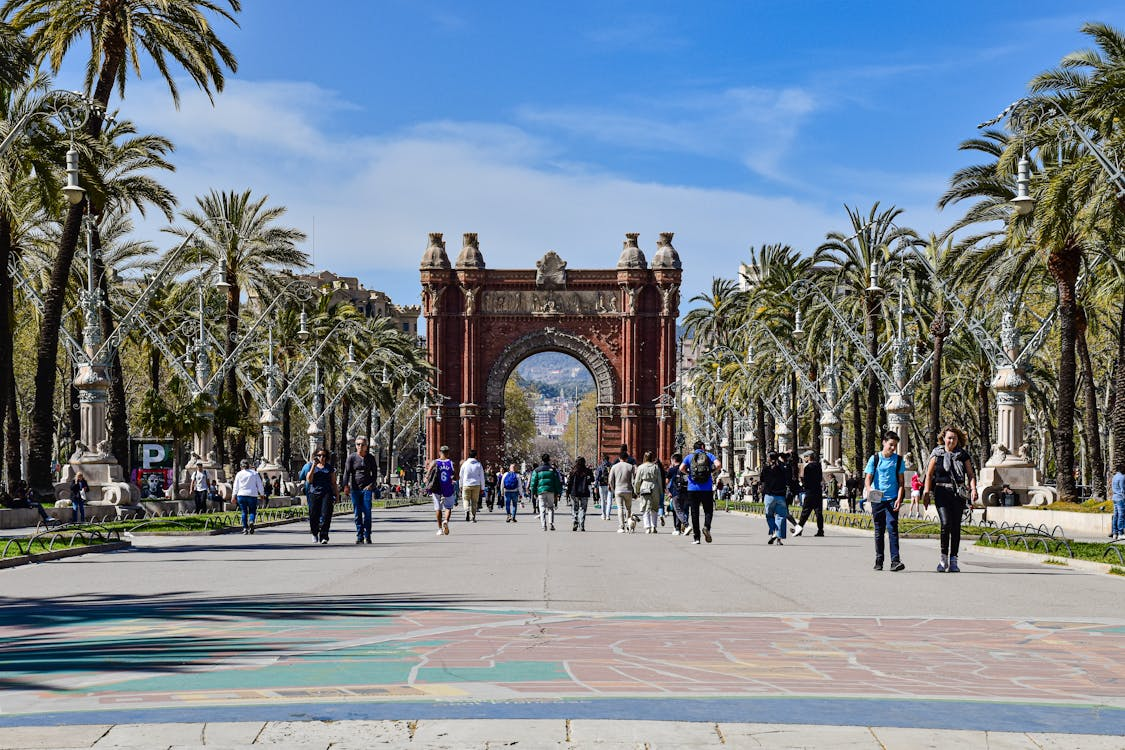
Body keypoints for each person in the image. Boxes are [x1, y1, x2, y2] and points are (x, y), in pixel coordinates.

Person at [922, 425, 978, 573]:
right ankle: (943, 558)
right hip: (941, 491)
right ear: (944, 438)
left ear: (958, 440)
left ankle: (954, 559)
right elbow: (929, 474)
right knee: (946, 523)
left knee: (955, 527)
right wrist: (926, 492)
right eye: (949, 438)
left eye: (954, 438)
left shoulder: (962, 454)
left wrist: (973, 489)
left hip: (958, 494)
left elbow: (971, 474)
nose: (951, 440)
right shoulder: (937, 453)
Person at [864, 431, 906, 572]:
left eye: (895, 445)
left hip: (892, 498)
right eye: (891, 445)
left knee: (893, 528)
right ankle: (879, 559)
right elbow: (868, 478)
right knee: (879, 530)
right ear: (884, 442)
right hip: (877, 497)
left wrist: (899, 498)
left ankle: (895, 561)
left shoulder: (899, 460)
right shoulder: (875, 458)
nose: (893, 448)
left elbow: (901, 482)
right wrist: (869, 489)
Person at [679, 440, 721, 545]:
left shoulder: (689, 457)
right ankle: (706, 527)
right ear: (702, 447)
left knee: (694, 513)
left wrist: (688, 473)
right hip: (706, 488)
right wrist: (712, 472)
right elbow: (718, 465)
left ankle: (697, 538)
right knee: (708, 510)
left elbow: (681, 468)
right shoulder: (709, 455)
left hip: (692, 488)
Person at [341, 435, 380, 544]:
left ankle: (368, 535)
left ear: (366, 446)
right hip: (355, 489)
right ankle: (359, 535)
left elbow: (375, 473)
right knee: (357, 513)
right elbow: (347, 473)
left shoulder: (370, 458)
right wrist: (345, 486)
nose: (360, 446)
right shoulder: (352, 458)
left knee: (367, 513)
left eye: (362, 445)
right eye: (358, 444)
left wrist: (371, 485)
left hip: (367, 489)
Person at [305, 449, 338, 544]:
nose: (321, 457)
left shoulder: (329, 468)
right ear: (316, 456)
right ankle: (314, 533)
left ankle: (324, 535)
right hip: (314, 493)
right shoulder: (311, 467)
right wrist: (313, 466)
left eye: (323, 455)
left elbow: (333, 482)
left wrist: (336, 495)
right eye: (319, 455)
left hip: (326, 493)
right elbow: (309, 480)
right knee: (313, 515)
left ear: (326, 457)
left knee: (326, 514)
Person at [760, 451, 790, 545]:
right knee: (781, 517)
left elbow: (762, 480)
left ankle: (773, 533)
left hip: (769, 496)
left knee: (770, 516)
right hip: (780, 496)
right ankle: (779, 538)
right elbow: (788, 478)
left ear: (769, 458)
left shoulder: (766, 468)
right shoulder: (783, 468)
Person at [426, 445, 456, 536]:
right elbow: (454, 476)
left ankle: (439, 529)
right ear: (448, 453)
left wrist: (426, 479)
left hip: (436, 487)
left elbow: (428, 474)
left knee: (438, 508)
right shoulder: (451, 463)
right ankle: (446, 521)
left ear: (440, 452)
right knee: (448, 507)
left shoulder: (435, 462)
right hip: (447, 487)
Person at [232, 458, 267, 535]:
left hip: (241, 495)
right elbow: (259, 485)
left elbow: (235, 486)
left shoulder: (239, 474)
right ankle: (251, 521)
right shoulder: (254, 473)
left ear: (241, 466)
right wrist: (262, 494)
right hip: (252, 495)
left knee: (244, 512)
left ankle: (245, 528)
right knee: (252, 510)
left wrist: (233, 496)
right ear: (248, 466)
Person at [529, 453, 562, 531]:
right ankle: (551, 523)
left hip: (541, 491)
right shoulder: (553, 470)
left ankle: (544, 525)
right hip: (551, 491)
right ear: (549, 459)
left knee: (542, 508)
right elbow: (557, 482)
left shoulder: (537, 470)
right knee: (551, 507)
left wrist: (533, 492)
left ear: (542, 460)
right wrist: (558, 492)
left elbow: (533, 482)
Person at [633, 451, 664, 534]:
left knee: (645, 507)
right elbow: (659, 480)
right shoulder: (656, 467)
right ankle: (654, 526)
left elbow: (637, 481)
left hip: (645, 486)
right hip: (655, 487)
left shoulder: (641, 467)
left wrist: (636, 490)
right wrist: (661, 491)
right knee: (654, 507)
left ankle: (647, 527)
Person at [794, 453, 824, 537]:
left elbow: (805, 479)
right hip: (818, 491)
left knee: (805, 511)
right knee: (818, 512)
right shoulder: (818, 466)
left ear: (808, 457)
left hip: (810, 492)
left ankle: (799, 529)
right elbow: (820, 478)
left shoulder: (807, 467)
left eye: (805, 457)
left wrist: (803, 483)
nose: (804, 459)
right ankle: (820, 530)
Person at [608, 446, 637, 533]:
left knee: (620, 508)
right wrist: (634, 491)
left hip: (618, 490)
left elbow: (610, 480)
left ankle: (621, 527)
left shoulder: (614, 467)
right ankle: (628, 525)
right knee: (628, 509)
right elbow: (633, 480)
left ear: (619, 458)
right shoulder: (630, 467)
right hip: (628, 490)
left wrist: (613, 489)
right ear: (627, 458)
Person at [566, 456, 594, 531]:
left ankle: (575, 521)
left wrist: (568, 493)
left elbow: (569, 483)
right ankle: (581, 524)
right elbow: (592, 479)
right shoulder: (588, 471)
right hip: (584, 492)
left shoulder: (573, 471)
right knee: (583, 508)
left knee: (574, 508)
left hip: (574, 492)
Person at [459, 449, 485, 523]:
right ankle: (473, 517)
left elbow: (461, 475)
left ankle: (466, 510)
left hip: (466, 484)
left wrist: (460, 485)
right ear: (476, 456)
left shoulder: (465, 464)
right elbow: (482, 477)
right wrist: (482, 487)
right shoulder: (478, 464)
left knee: (466, 499)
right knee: (474, 501)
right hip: (476, 485)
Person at [666, 452, 688, 534]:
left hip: (675, 492)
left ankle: (685, 526)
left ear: (673, 460)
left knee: (677, 510)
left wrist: (667, 492)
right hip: (685, 491)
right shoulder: (685, 468)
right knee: (682, 510)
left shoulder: (672, 470)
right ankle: (678, 528)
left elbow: (666, 482)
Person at [595, 454, 612, 519]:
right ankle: (608, 515)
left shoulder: (600, 466)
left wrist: (596, 486)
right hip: (610, 484)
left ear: (603, 459)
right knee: (609, 500)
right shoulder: (611, 466)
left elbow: (597, 476)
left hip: (602, 485)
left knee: (602, 500)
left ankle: (603, 515)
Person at [1111, 463, 1125, 540]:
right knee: (1121, 516)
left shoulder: (1115, 476)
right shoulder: (1123, 477)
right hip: (1120, 498)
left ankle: (1114, 533)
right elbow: (1123, 490)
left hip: (1115, 497)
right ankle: (1120, 533)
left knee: (1116, 515)